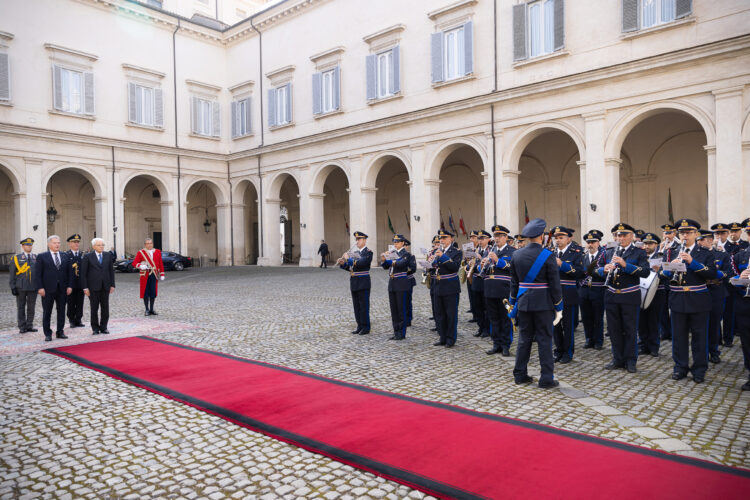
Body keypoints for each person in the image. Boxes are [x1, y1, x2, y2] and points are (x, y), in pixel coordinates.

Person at [660, 219, 716, 384]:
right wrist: (670, 268)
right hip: (678, 299)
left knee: (699, 337)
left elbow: (712, 273)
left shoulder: (705, 252)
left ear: (696, 234)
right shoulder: (671, 251)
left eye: (689, 232)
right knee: (679, 337)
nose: (685, 235)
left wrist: (692, 262)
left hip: (698, 299)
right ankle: (680, 368)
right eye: (682, 232)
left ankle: (699, 370)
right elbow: (661, 276)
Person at [509, 218, 563, 389]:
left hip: (524, 303)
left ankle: (520, 374)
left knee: (524, 339)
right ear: (541, 236)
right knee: (545, 340)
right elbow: (555, 284)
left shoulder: (516, 254)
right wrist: (559, 305)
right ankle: (546, 378)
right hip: (543, 304)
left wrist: (512, 302)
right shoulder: (548, 255)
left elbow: (514, 283)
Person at [597, 223, 650, 373]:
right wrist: (603, 269)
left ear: (632, 236)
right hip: (611, 295)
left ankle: (631, 360)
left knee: (630, 329)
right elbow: (595, 268)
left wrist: (625, 265)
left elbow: (645, 272)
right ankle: (617, 358)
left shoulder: (639, 252)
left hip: (629, 295)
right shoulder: (609, 250)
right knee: (614, 329)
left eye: (624, 235)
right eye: (618, 235)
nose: (621, 238)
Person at [550, 226, 584, 364]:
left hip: (568, 294)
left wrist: (562, 264)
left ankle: (568, 353)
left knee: (568, 326)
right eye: (556, 238)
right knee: (555, 324)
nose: (558, 240)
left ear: (569, 238)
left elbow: (581, 272)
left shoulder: (576, 252)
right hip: (553, 294)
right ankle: (558, 350)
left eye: (561, 238)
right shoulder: (550, 252)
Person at [697, 230, 731, 364]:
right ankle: (702, 353)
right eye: (698, 239)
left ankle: (713, 351)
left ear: (710, 240)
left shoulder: (722, 255)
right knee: (700, 324)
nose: (699, 242)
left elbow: (728, 272)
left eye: (702, 239)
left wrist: (713, 274)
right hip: (700, 291)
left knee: (714, 323)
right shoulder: (696, 254)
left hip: (716, 291)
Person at [483, 224, 515, 356]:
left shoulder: (512, 251)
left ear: (506, 237)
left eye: (499, 236)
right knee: (494, 318)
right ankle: (496, 343)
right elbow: (483, 271)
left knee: (506, 318)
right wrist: (482, 265)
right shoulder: (489, 250)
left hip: (505, 291)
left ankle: (506, 345)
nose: (496, 239)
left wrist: (498, 261)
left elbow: (513, 267)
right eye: (495, 236)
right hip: (490, 289)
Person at [33, 235, 72, 341]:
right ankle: (48, 334)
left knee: (61, 311)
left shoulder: (65, 255)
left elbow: (70, 272)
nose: (57, 245)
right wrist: (40, 287)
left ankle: (60, 331)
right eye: (55, 243)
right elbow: (37, 274)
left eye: (58, 243)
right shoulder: (42, 256)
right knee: (47, 312)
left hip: (62, 289)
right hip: (47, 289)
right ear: (49, 244)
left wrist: (69, 286)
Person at [430, 229, 462, 348]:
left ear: (451, 239)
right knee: (439, 313)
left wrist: (442, 257)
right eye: (441, 238)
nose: (442, 240)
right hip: (438, 285)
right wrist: (429, 265)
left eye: (444, 238)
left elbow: (454, 267)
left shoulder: (456, 252)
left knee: (450, 314)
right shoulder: (437, 251)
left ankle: (450, 338)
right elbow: (434, 268)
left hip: (450, 287)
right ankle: (442, 337)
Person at [381, 234, 416, 340]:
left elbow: (402, 263)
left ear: (402, 243)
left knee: (401, 309)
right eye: (394, 242)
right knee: (394, 310)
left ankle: (401, 333)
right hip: (392, 283)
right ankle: (396, 331)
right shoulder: (392, 253)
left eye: (397, 242)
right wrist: (384, 259)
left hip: (402, 284)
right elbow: (385, 267)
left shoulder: (406, 254)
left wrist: (390, 260)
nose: (395, 244)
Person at [638, 233, 667, 357]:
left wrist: (659, 271)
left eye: (650, 244)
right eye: (645, 243)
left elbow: (667, 274)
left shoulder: (662, 257)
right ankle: (643, 345)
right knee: (642, 320)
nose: (647, 246)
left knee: (654, 320)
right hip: (641, 290)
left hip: (657, 291)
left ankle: (654, 346)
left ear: (656, 245)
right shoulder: (640, 256)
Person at [338, 231, 372, 335]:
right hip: (354, 282)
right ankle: (359, 326)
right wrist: (343, 264)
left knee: (364, 306)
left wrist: (349, 259)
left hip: (363, 282)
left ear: (364, 240)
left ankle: (366, 327)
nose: (357, 241)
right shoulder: (355, 253)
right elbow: (352, 268)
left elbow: (362, 263)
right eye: (356, 239)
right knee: (356, 306)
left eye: (359, 239)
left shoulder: (368, 252)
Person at [729, 219, 750, 390]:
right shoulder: (739, 256)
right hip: (745, 303)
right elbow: (730, 278)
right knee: (747, 340)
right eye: (749, 233)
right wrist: (740, 278)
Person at [80, 238, 115, 335]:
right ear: (94, 246)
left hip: (105, 286)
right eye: (99, 245)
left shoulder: (108, 255)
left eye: (102, 245)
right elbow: (83, 274)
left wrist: (112, 285)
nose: (101, 247)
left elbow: (111, 271)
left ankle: (104, 327)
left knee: (105, 308)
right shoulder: (88, 256)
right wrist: (85, 287)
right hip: (93, 287)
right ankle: (95, 328)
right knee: (94, 308)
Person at [579, 230, 606, 350]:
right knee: (586, 316)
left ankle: (598, 341)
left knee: (597, 317)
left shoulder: (604, 256)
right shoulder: (583, 256)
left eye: (593, 242)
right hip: (584, 290)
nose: (590, 244)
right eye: (588, 242)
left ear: (598, 243)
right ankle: (589, 339)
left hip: (598, 289)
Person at [9, 237, 38, 334]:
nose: (29, 247)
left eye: (30, 245)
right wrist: (13, 287)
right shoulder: (16, 258)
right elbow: (12, 274)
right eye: (27, 245)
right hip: (20, 287)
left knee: (31, 307)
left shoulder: (36, 257)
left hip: (33, 286)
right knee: (21, 307)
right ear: (22, 246)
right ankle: (22, 326)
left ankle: (29, 325)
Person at [131, 237, 165, 316]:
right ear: (145, 244)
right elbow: (134, 263)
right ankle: (146, 309)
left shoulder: (157, 252)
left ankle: (152, 309)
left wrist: (162, 274)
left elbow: (160, 263)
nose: (149, 245)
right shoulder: (141, 252)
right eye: (148, 243)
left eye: (151, 243)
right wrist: (140, 266)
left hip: (154, 274)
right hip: (145, 275)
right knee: (145, 292)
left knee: (153, 292)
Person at [658, 223, 680, 341]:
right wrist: (660, 250)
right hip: (662, 281)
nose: (667, 235)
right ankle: (664, 331)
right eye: (665, 233)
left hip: (673, 281)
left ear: (674, 234)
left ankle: (673, 331)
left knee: (674, 308)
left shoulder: (679, 246)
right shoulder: (660, 246)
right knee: (663, 308)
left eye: (669, 233)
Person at [470, 230, 491, 338]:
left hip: (485, 282)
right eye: (479, 239)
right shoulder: (477, 250)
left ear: (488, 239)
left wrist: (480, 258)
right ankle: (480, 327)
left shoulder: (490, 250)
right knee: (477, 307)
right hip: (476, 281)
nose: (480, 241)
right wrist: (470, 263)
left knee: (486, 307)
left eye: (483, 239)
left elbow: (489, 265)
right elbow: (470, 267)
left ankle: (487, 329)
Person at [64, 234, 86, 329]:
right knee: (71, 303)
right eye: (74, 242)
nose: (76, 244)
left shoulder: (83, 255)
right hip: (70, 284)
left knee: (80, 302)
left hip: (81, 284)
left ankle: (78, 319)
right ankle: (71, 320)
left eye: (78, 242)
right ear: (70, 244)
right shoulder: (66, 255)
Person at [464, 230, 480, 322]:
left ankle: (478, 315)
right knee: (471, 296)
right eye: (471, 237)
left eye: (473, 237)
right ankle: (474, 314)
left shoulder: (479, 248)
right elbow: (465, 261)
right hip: (469, 274)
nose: (471, 239)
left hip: (476, 274)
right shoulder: (469, 249)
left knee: (476, 296)